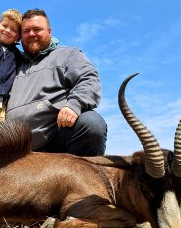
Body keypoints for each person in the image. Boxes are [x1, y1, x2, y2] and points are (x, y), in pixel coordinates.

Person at [6, 9, 107, 156]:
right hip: (14, 145)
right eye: (26, 31)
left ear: (49, 31)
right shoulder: (11, 63)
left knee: (92, 123)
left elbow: (88, 79)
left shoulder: (68, 55)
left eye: (37, 29)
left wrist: (74, 106)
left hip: (56, 138)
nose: (31, 34)